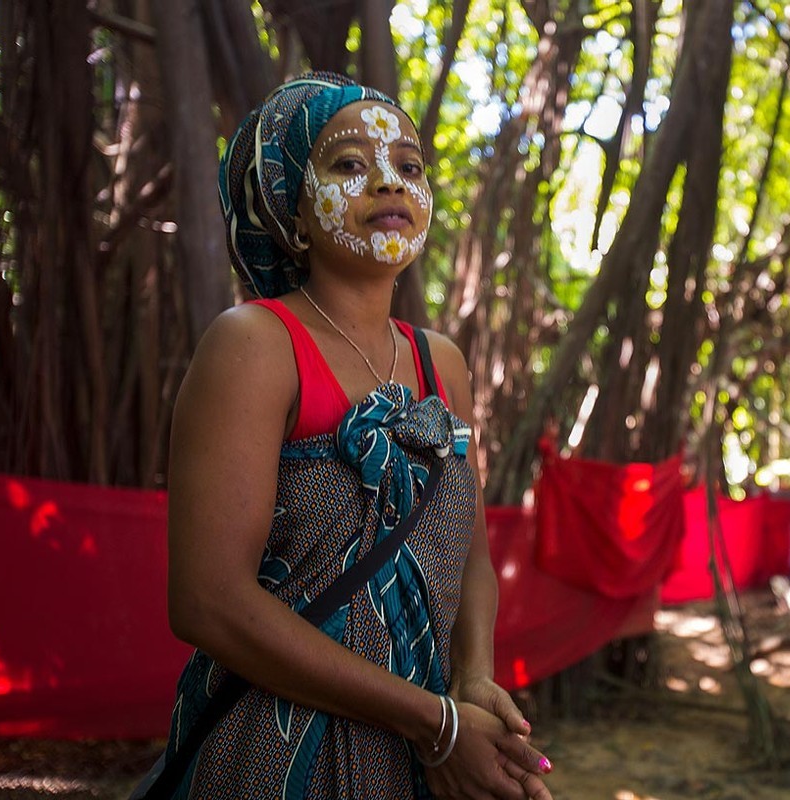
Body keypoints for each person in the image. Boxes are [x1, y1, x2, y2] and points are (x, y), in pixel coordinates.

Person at [142, 72, 553, 799]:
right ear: (294, 216)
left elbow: (474, 561)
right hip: (277, 752)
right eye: (349, 165)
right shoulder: (254, 345)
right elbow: (206, 599)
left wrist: (474, 682)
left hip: (421, 753)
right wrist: (437, 723)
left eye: (409, 166)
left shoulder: (442, 362)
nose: (389, 182)